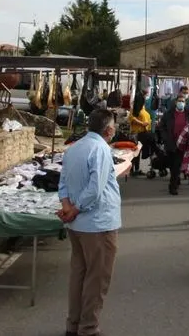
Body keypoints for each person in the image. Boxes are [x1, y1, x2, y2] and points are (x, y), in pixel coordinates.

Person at [57, 109, 122, 336]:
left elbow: (62, 182)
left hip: (78, 225)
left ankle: (73, 324)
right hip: (97, 224)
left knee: (79, 274)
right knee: (97, 278)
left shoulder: (74, 149)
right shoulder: (100, 149)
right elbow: (95, 188)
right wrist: (73, 209)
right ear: (109, 129)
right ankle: (88, 327)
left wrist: (68, 207)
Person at [159, 94, 189, 195]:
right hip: (171, 143)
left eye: (183, 101)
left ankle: (173, 186)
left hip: (183, 144)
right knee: (173, 165)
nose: (181, 103)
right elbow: (161, 126)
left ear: (185, 103)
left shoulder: (188, 114)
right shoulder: (169, 114)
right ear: (176, 102)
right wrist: (165, 137)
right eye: (179, 101)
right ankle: (175, 180)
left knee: (177, 164)